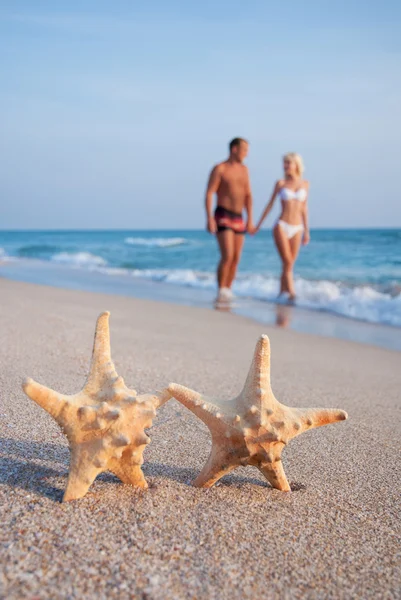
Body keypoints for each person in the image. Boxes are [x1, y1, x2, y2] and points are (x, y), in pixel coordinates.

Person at [252, 152, 310, 301]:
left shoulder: (305, 184)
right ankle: (291, 294)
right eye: (284, 163)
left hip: (298, 228)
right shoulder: (280, 184)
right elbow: (270, 205)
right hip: (281, 226)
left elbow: (304, 208)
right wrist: (258, 225)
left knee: (288, 265)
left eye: (288, 163)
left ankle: (281, 295)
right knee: (288, 262)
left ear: (296, 165)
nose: (285, 166)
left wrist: (307, 231)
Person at [205, 137, 254, 303]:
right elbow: (209, 193)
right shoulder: (220, 168)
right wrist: (209, 218)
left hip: (239, 216)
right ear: (234, 149)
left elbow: (248, 195)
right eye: (244, 150)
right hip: (223, 214)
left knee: (236, 258)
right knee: (227, 255)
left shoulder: (244, 170)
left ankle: (228, 288)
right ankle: (221, 289)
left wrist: (250, 219)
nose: (246, 154)